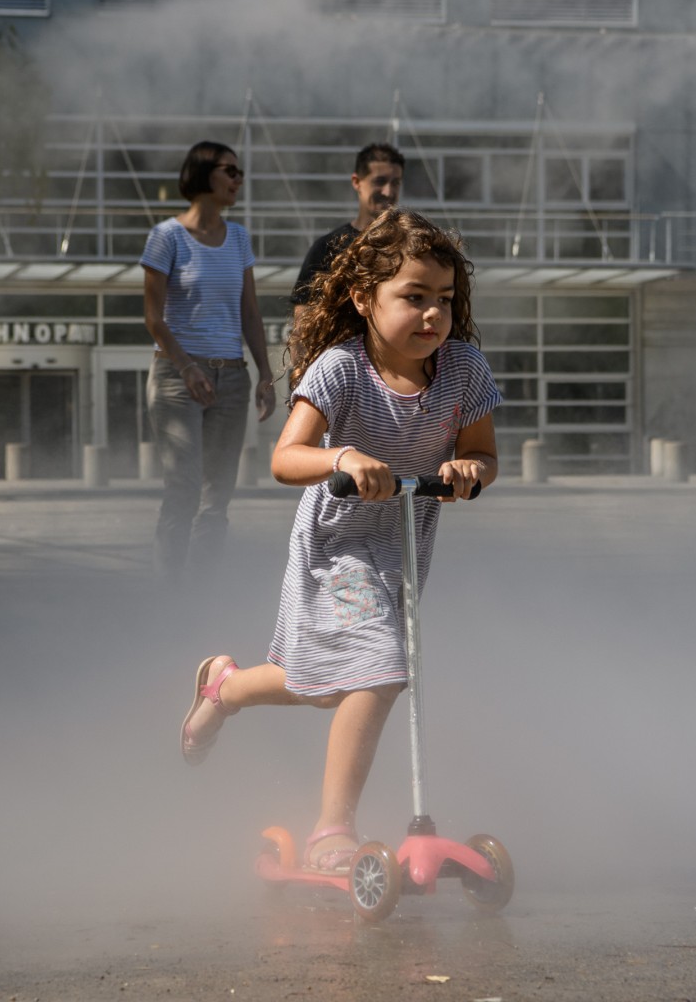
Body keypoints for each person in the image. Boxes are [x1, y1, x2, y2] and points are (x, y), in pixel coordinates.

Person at [178, 209, 500, 874]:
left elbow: (482, 455)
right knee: (380, 667)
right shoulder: (340, 369)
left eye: (444, 298)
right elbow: (286, 459)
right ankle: (332, 829)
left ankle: (226, 688)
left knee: (328, 684)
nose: (433, 314)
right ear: (364, 298)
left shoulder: (464, 369)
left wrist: (470, 472)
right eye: (413, 296)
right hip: (337, 545)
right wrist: (343, 458)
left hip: (402, 542)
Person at [141, 140, 277, 576]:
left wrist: (265, 374)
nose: (239, 180)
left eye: (240, 173)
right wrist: (187, 366)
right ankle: (167, 596)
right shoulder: (167, 237)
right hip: (177, 376)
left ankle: (201, 596)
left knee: (217, 498)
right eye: (230, 171)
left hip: (232, 378)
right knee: (182, 490)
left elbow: (249, 313)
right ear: (203, 175)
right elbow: (153, 318)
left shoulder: (238, 237)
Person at [290, 143, 404, 326]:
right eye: (379, 181)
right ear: (356, 182)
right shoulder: (329, 247)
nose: (388, 191)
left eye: (396, 182)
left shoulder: (409, 244)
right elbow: (303, 319)